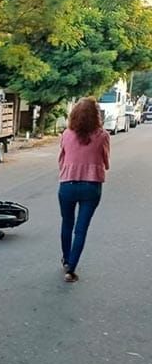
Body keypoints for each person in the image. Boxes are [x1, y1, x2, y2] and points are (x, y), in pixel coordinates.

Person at [58, 96, 110, 282]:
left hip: (67, 185)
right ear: (96, 116)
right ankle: (71, 270)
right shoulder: (102, 135)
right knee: (81, 229)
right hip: (91, 186)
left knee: (67, 223)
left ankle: (66, 260)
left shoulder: (66, 134)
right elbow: (105, 161)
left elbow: (61, 159)